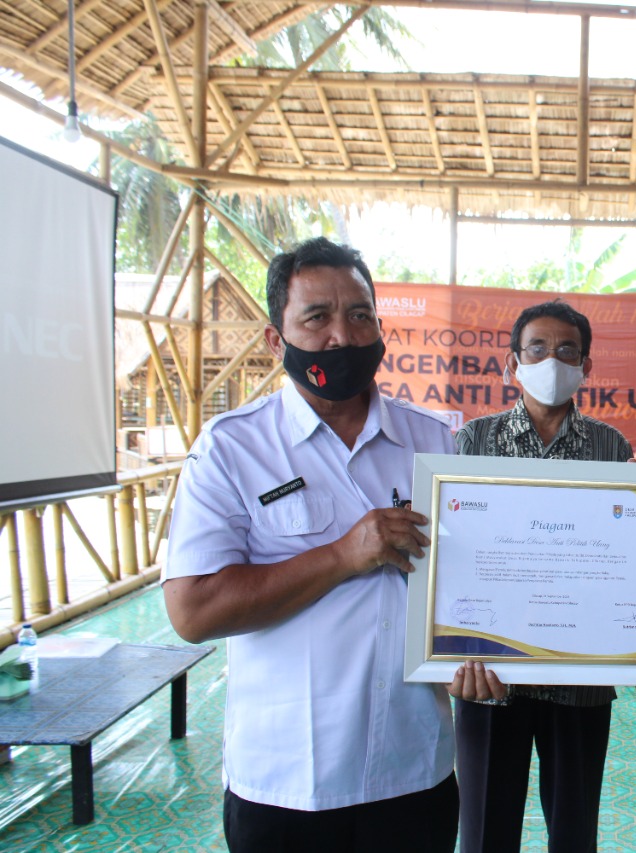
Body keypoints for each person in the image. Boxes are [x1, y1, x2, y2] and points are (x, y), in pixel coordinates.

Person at [163, 237, 459, 852]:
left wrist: (486, 654)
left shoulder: (436, 443)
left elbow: (476, 587)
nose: (342, 337)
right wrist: (345, 554)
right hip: (286, 784)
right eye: (316, 317)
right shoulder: (230, 450)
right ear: (278, 340)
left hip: (414, 772)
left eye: (359, 315)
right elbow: (192, 612)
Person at [447, 300, 633, 853]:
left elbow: (624, 558)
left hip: (582, 678)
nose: (552, 360)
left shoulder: (611, 448)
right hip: (487, 676)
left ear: (586, 367)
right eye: (537, 349)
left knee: (575, 833)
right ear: (511, 365)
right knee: (483, 831)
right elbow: (453, 557)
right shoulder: (469, 444)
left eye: (566, 350)